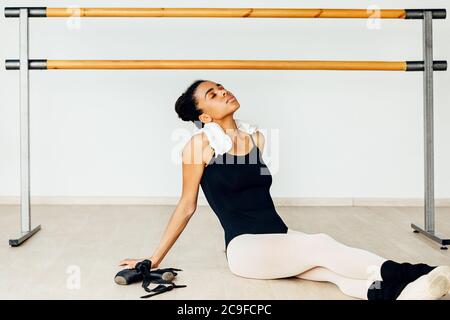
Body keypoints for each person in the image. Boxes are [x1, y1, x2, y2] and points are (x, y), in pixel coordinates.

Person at [119, 80, 450, 300]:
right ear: (204, 115)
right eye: (213, 95)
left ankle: (405, 293)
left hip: (279, 236)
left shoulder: (257, 138)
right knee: (322, 245)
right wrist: (153, 258)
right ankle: (422, 272)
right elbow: (186, 206)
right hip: (246, 248)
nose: (224, 93)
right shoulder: (199, 146)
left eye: (221, 87)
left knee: (329, 272)